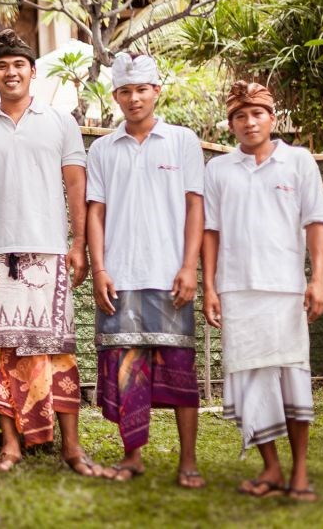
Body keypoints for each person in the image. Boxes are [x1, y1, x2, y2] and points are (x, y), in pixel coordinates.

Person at [0, 29, 106, 476]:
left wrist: (78, 244)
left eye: (18, 64)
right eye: (2, 66)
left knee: (57, 350)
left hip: (49, 253)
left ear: (33, 72)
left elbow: (76, 184)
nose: (11, 72)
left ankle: (72, 448)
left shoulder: (60, 121)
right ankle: (11, 445)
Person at [202, 81, 323, 502]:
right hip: (237, 291)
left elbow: (316, 222)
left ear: (272, 118)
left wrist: (317, 279)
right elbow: (210, 232)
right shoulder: (218, 169)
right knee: (251, 382)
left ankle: (300, 472)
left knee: (293, 380)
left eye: (257, 113)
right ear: (231, 125)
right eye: (240, 116)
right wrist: (210, 287)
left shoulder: (299, 161)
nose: (249, 122)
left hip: (285, 290)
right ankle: (271, 467)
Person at [85, 52, 206, 488]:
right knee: (126, 369)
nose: (134, 98)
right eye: (125, 91)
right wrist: (99, 269)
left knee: (180, 367)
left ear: (157, 91)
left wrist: (189, 266)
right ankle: (132, 456)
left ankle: (188, 461)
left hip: (169, 274)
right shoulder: (102, 149)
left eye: (142, 90)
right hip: (120, 277)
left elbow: (195, 206)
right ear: (115, 95)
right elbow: (95, 213)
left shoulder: (183, 141)